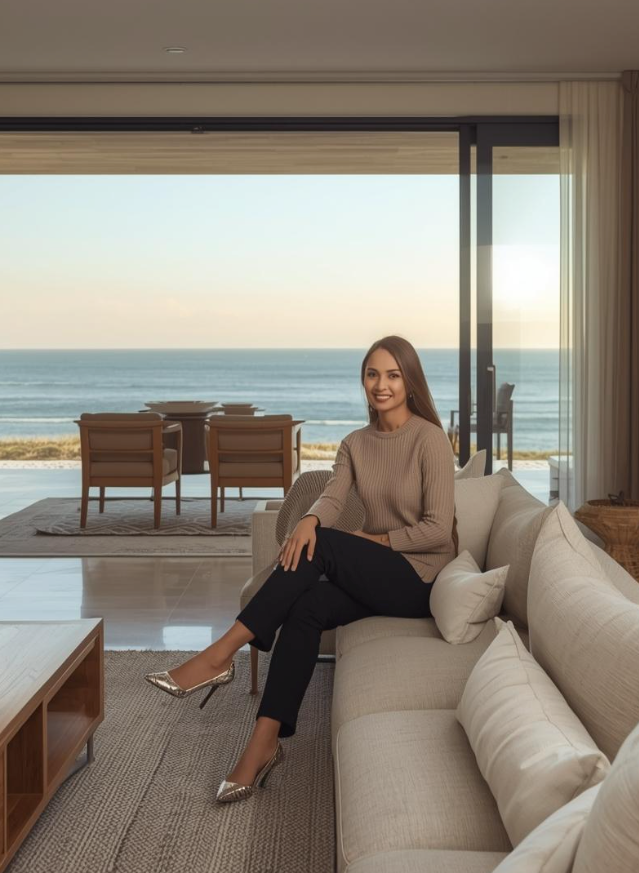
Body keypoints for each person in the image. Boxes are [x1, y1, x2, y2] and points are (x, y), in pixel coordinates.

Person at [144, 335, 459, 803]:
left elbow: (437, 532)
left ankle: (220, 656)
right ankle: (263, 744)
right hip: (377, 575)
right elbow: (334, 496)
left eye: (393, 375)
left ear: (410, 382)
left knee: (325, 546)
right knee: (306, 606)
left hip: (420, 580)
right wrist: (310, 518)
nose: (381, 385)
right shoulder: (355, 443)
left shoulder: (430, 439)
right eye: (372, 374)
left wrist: (370, 539)